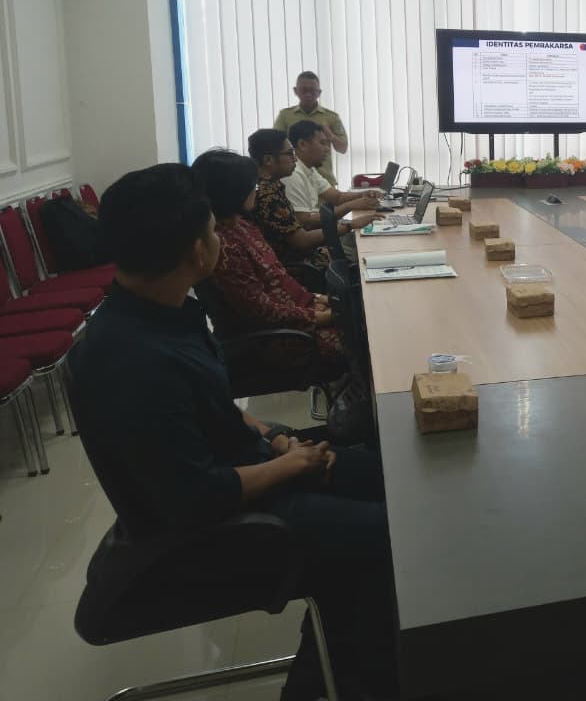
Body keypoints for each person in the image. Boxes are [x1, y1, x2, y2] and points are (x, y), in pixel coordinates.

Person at [67, 163, 398, 700]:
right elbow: (195, 497)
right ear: (198, 252)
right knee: (391, 535)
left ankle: (339, 653)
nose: (222, 238)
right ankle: (361, 678)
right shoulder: (131, 362)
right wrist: (290, 464)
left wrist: (277, 439)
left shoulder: (159, 313)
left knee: (393, 470)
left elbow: (220, 410)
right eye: (214, 231)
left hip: (252, 469)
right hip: (216, 528)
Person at [191, 149, 348, 381]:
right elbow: (263, 313)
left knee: (364, 316)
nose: (256, 190)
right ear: (234, 192)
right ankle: (363, 409)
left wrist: (319, 300)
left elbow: (278, 281)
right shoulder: (223, 246)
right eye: (251, 186)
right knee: (366, 336)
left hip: (297, 320)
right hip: (278, 341)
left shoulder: (242, 226)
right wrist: (330, 315)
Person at [247, 128, 343, 276]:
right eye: (289, 153)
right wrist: (349, 226)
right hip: (293, 270)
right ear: (268, 160)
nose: (295, 159)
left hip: (302, 260)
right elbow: (302, 240)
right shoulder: (267, 196)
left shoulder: (273, 186)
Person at [284, 120, 380, 223]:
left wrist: (362, 194)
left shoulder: (309, 169)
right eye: (322, 143)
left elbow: (337, 197)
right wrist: (350, 207)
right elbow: (306, 223)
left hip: (325, 230)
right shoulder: (293, 174)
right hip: (319, 235)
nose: (327, 149)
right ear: (302, 145)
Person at [273, 71, 348, 188]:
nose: (308, 94)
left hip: (324, 179)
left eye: (312, 90)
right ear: (295, 91)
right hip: (293, 179)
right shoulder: (285, 115)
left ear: (319, 93)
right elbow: (275, 146)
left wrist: (330, 136)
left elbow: (343, 148)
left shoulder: (331, 117)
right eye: (303, 90)